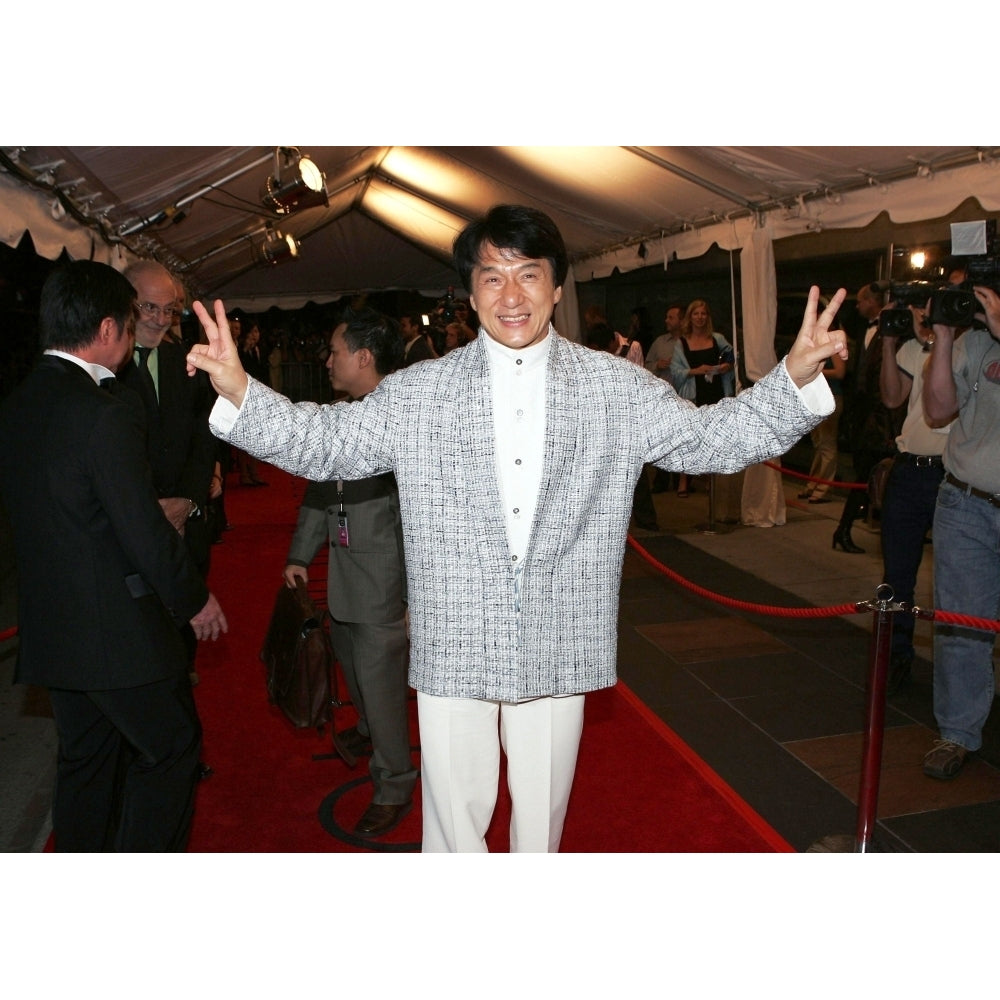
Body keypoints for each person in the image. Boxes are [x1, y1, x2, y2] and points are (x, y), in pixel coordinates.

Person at [187, 203, 848, 853]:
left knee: (541, 830)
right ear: (469, 293)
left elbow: (709, 440)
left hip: (559, 637)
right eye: (492, 276)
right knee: (453, 831)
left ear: (557, 288)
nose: (511, 295)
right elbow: (326, 442)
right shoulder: (420, 391)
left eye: (528, 274)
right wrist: (244, 391)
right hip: (455, 638)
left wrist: (791, 378)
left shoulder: (614, 387)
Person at [0, 260, 227, 851]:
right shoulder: (103, 411)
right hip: (111, 632)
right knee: (173, 747)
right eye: (131, 322)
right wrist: (193, 598)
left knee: (87, 760)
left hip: (54, 629)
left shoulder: (19, 403)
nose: (134, 336)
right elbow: (142, 528)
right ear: (107, 329)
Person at [283, 310, 416, 837]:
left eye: (335, 350)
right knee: (358, 679)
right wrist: (300, 554)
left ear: (363, 358)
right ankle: (366, 728)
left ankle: (394, 783)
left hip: (384, 589)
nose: (328, 359)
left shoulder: (400, 422)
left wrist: (413, 600)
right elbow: (321, 491)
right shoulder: (347, 415)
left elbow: (419, 523)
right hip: (344, 582)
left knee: (383, 693)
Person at [120, 260, 219, 691]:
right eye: (150, 308)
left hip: (188, 519)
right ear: (126, 306)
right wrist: (147, 508)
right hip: (130, 525)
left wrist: (189, 501)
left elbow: (206, 437)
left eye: (170, 310)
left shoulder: (188, 363)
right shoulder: (105, 367)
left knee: (183, 626)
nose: (161, 320)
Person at [919, 283, 1000, 780]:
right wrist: (945, 338)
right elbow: (936, 410)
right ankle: (957, 732)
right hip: (967, 504)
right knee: (961, 628)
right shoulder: (976, 344)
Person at [878, 298, 955, 696]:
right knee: (897, 574)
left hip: (951, 475)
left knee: (954, 580)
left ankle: (954, 670)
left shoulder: (971, 349)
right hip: (909, 471)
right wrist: (890, 343)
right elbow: (892, 398)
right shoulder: (914, 349)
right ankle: (896, 654)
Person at [832, 281, 906, 553]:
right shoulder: (864, 329)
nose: (857, 305)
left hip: (884, 419)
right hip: (866, 419)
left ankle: (845, 530)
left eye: (861, 300)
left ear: (873, 302)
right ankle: (844, 530)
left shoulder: (895, 333)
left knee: (873, 478)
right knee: (865, 477)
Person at [670, 298, 735, 497]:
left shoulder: (717, 339)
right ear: (690, 317)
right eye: (696, 314)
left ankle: (710, 479)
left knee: (713, 439)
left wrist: (725, 367)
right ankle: (684, 479)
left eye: (703, 314)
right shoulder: (681, 343)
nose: (700, 317)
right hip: (692, 395)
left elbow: (732, 357)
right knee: (690, 438)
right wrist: (697, 370)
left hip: (715, 393)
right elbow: (676, 370)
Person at [797, 349, 846, 503]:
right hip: (816, 398)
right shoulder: (818, 345)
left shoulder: (833, 346)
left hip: (831, 397)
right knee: (818, 444)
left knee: (826, 445)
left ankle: (823, 489)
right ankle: (814, 484)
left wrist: (817, 372)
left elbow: (840, 372)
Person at [645, 302, 684, 493]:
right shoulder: (660, 342)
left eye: (671, 317)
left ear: (681, 320)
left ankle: (681, 482)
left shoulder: (687, 342)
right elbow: (646, 364)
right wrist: (657, 365)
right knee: (662, 441)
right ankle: (661, 481)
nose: (666, 321)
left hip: (684, 397)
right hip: (662, 400)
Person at [237, 321, 270, 486]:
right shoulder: (241, 350)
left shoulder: (259, 350)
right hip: (244, 397)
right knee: (244, 438)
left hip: (259, 396)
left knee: (257, 436)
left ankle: (254, 472)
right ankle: (244, 474)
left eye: (257, 331)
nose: (255, 335)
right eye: (253, 331)